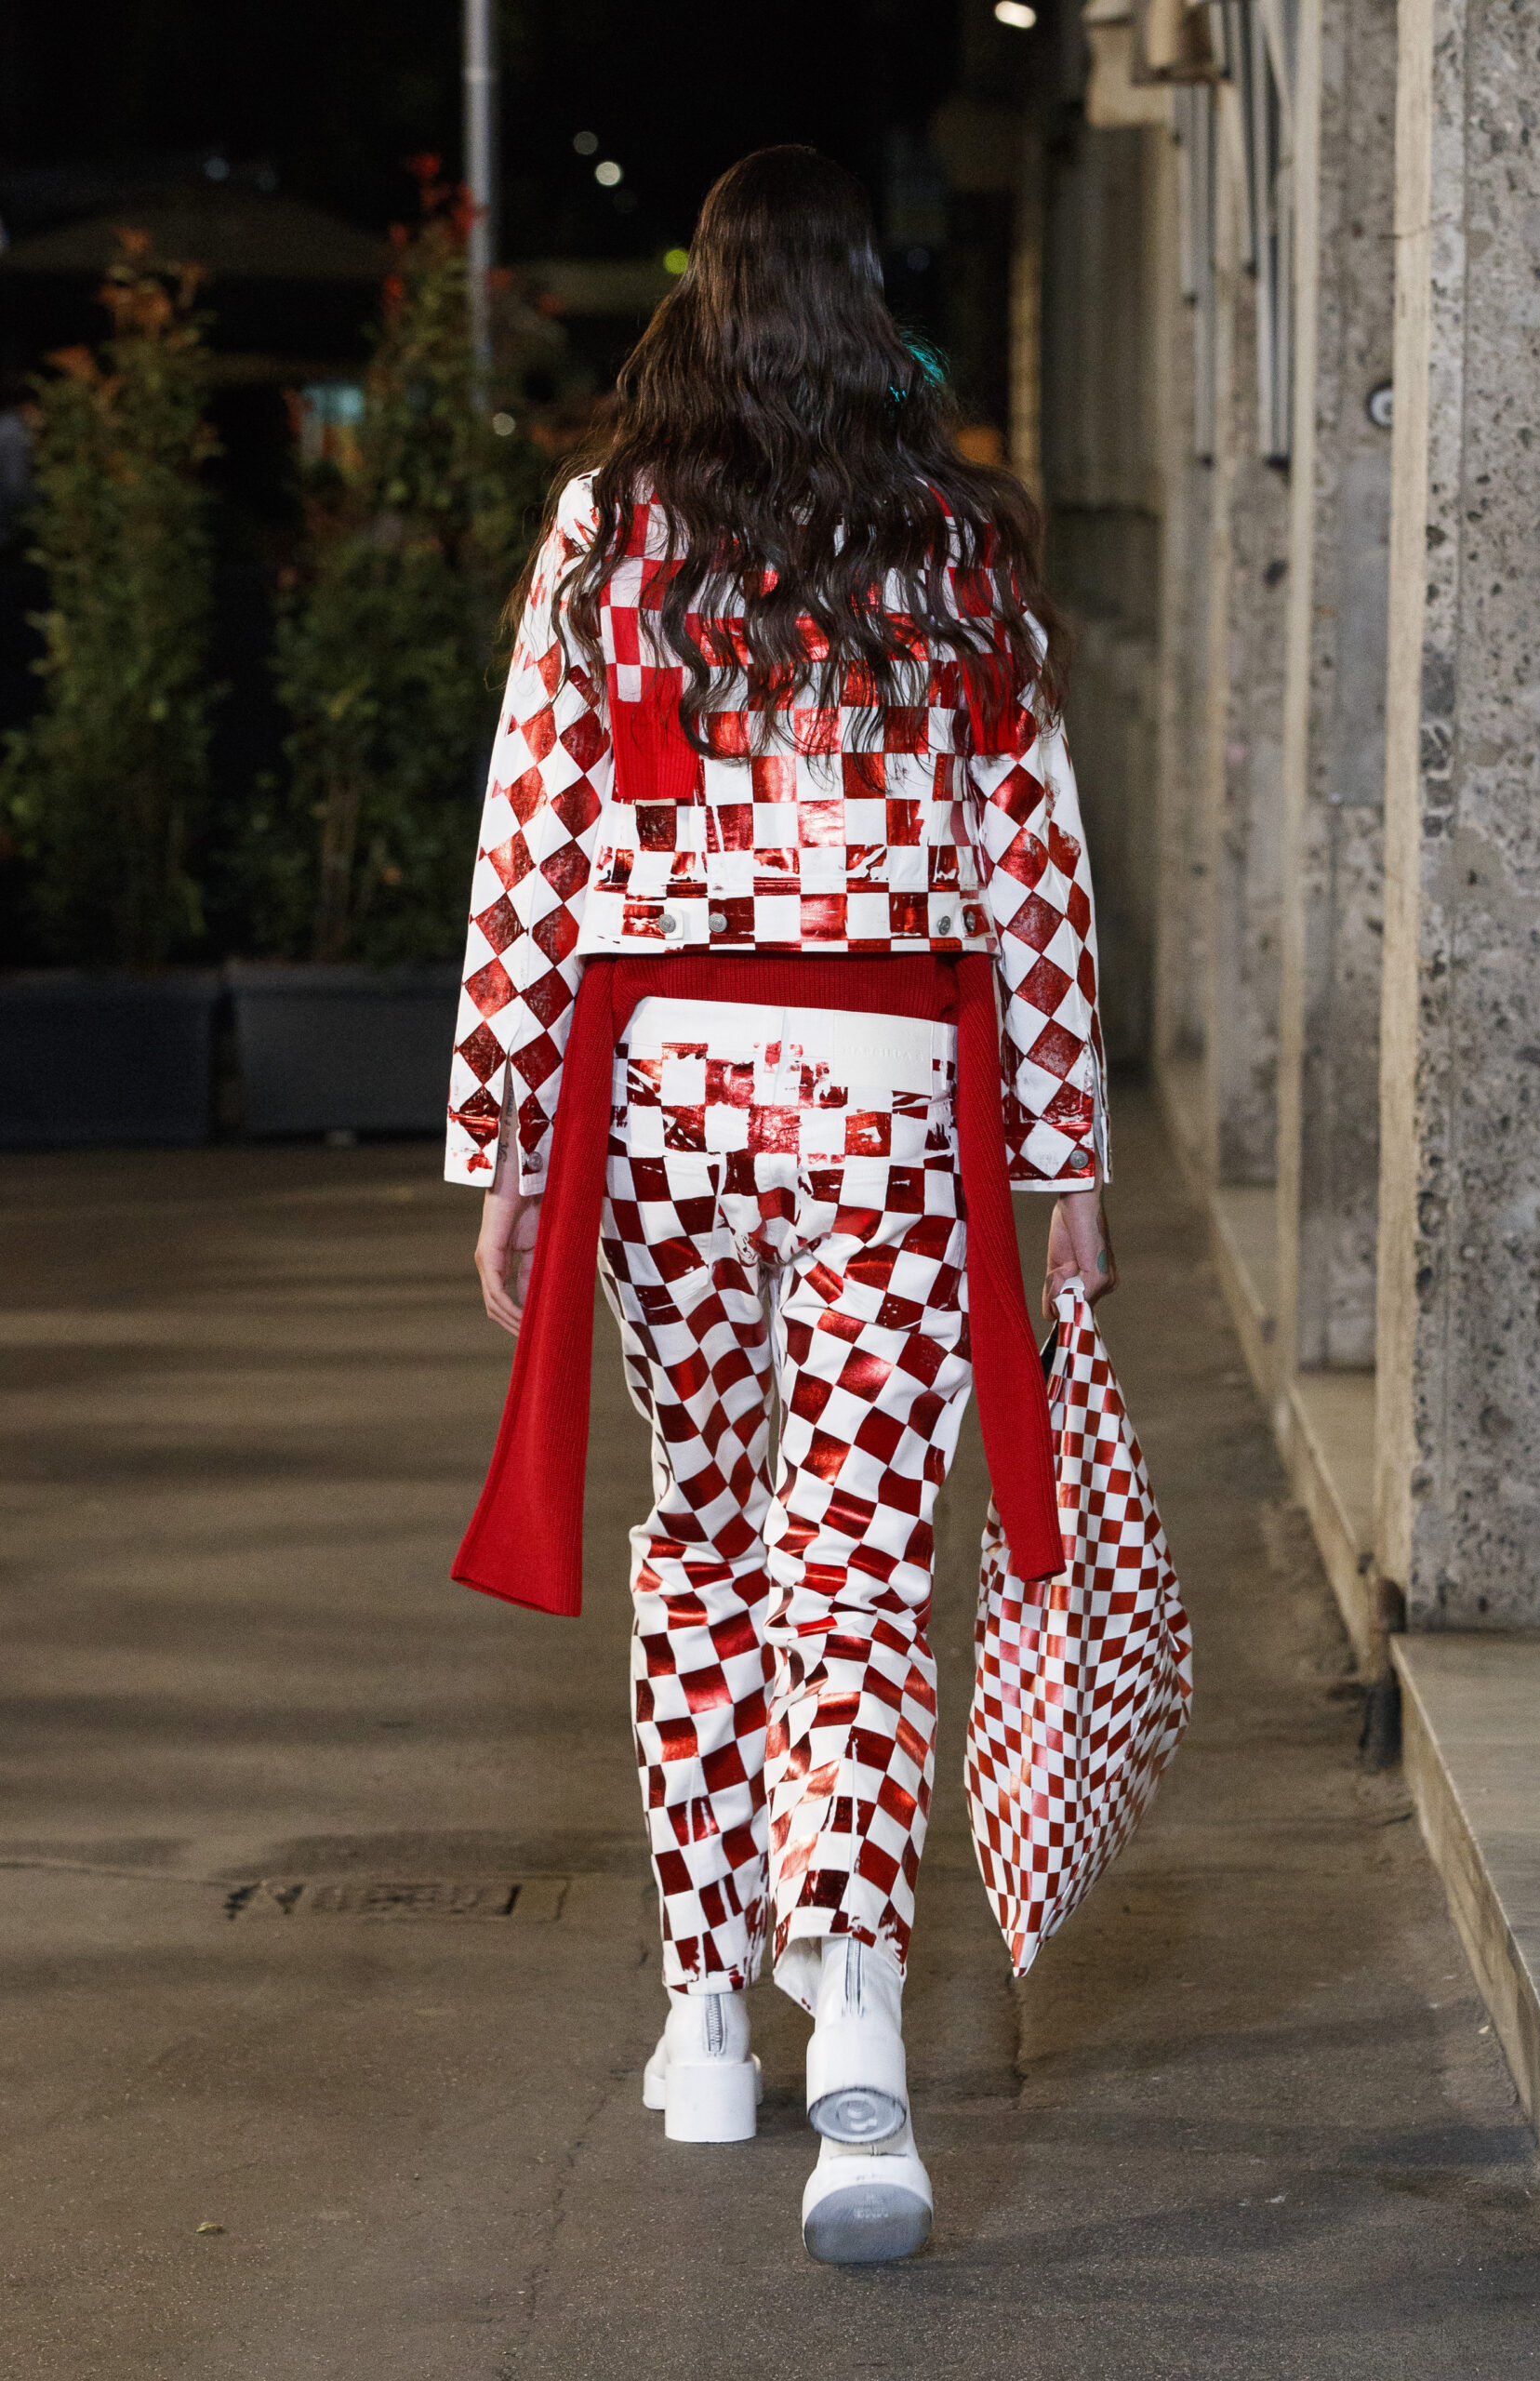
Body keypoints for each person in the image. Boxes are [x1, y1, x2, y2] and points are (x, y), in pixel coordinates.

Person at [444, 145, 1114, 2266]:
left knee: (706, 1528)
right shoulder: (956, 540)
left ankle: (707, 2015)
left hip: (665, 1088)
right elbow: (1032, 859)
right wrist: (1061, 1156)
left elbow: (534, 836)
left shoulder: (612, 526)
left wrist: (508, 1141)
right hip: (894, 1090)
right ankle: (863, 2021)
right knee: (857, 1561)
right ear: (864, 298)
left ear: (704, 299)